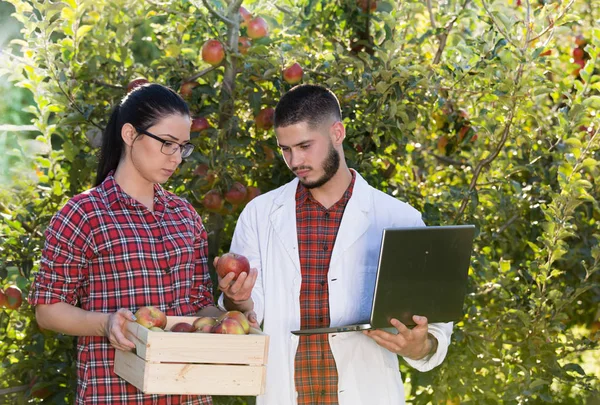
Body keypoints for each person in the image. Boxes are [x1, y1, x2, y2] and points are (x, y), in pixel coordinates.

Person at [217, 84, 453, 405]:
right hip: (286, 395)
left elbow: (435, 324)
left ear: (337, 133)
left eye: (304, 146)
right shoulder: (259, 215)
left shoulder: (399, 217)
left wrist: (418, 346)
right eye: (286, 149)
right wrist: (237, 300)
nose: (295, 160)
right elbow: (247, 315)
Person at [28, 83, 222, 405]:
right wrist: (104, 324)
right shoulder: (83, 214)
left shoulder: (185, 216)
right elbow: (47, 310)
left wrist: (237, 310)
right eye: (167, 144)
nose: (176, 158)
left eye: (183, 147)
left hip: (189, 394)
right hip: (115, 395)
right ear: (130, 134)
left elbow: (199, 305)